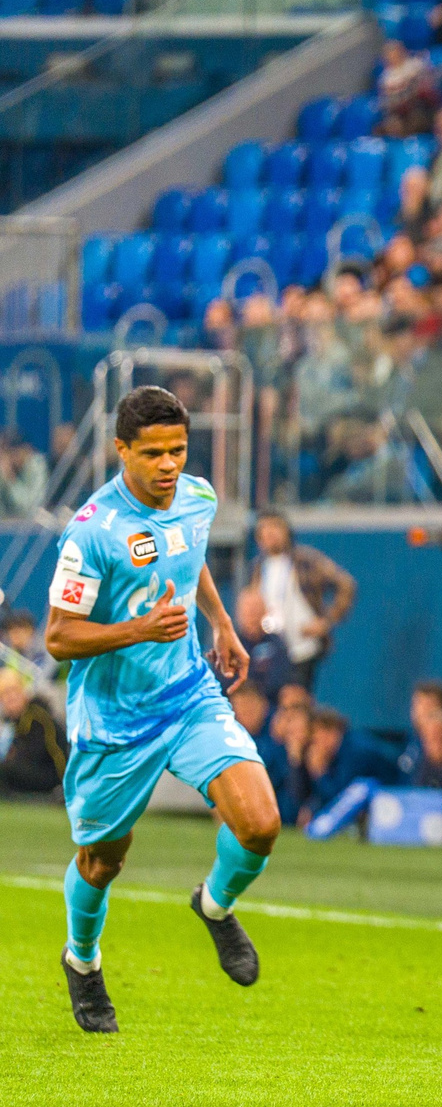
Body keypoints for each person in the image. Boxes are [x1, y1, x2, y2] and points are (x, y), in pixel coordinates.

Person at [41, 386, 282, 1033]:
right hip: (115, 719)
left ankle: (214, 904)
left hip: (186, 696)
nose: (169, 464)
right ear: (121, 450)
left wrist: (222, 622)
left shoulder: (198, 498)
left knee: (259, 824)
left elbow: (191, 556)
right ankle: (83, 960)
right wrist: (137, 630)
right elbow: (59, 636)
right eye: (153, 453)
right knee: (103, 860)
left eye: (177, 449)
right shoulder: (92, 532)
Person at [235, 510, 356, 698]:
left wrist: (326, 621)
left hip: (301, 647)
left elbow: (346, 584)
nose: (270, 533)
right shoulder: (257, 567)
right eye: (264, 529)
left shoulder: (306, 560)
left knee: (297, 700)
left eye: (275, 526)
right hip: (270, 648)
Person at [0, 665, 66, 795]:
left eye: (14, 691)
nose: (11, 698)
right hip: (30, 773)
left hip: (51, 778)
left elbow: (58, 753)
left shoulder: (38, 716)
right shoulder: (13, 723)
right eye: (5, 694)